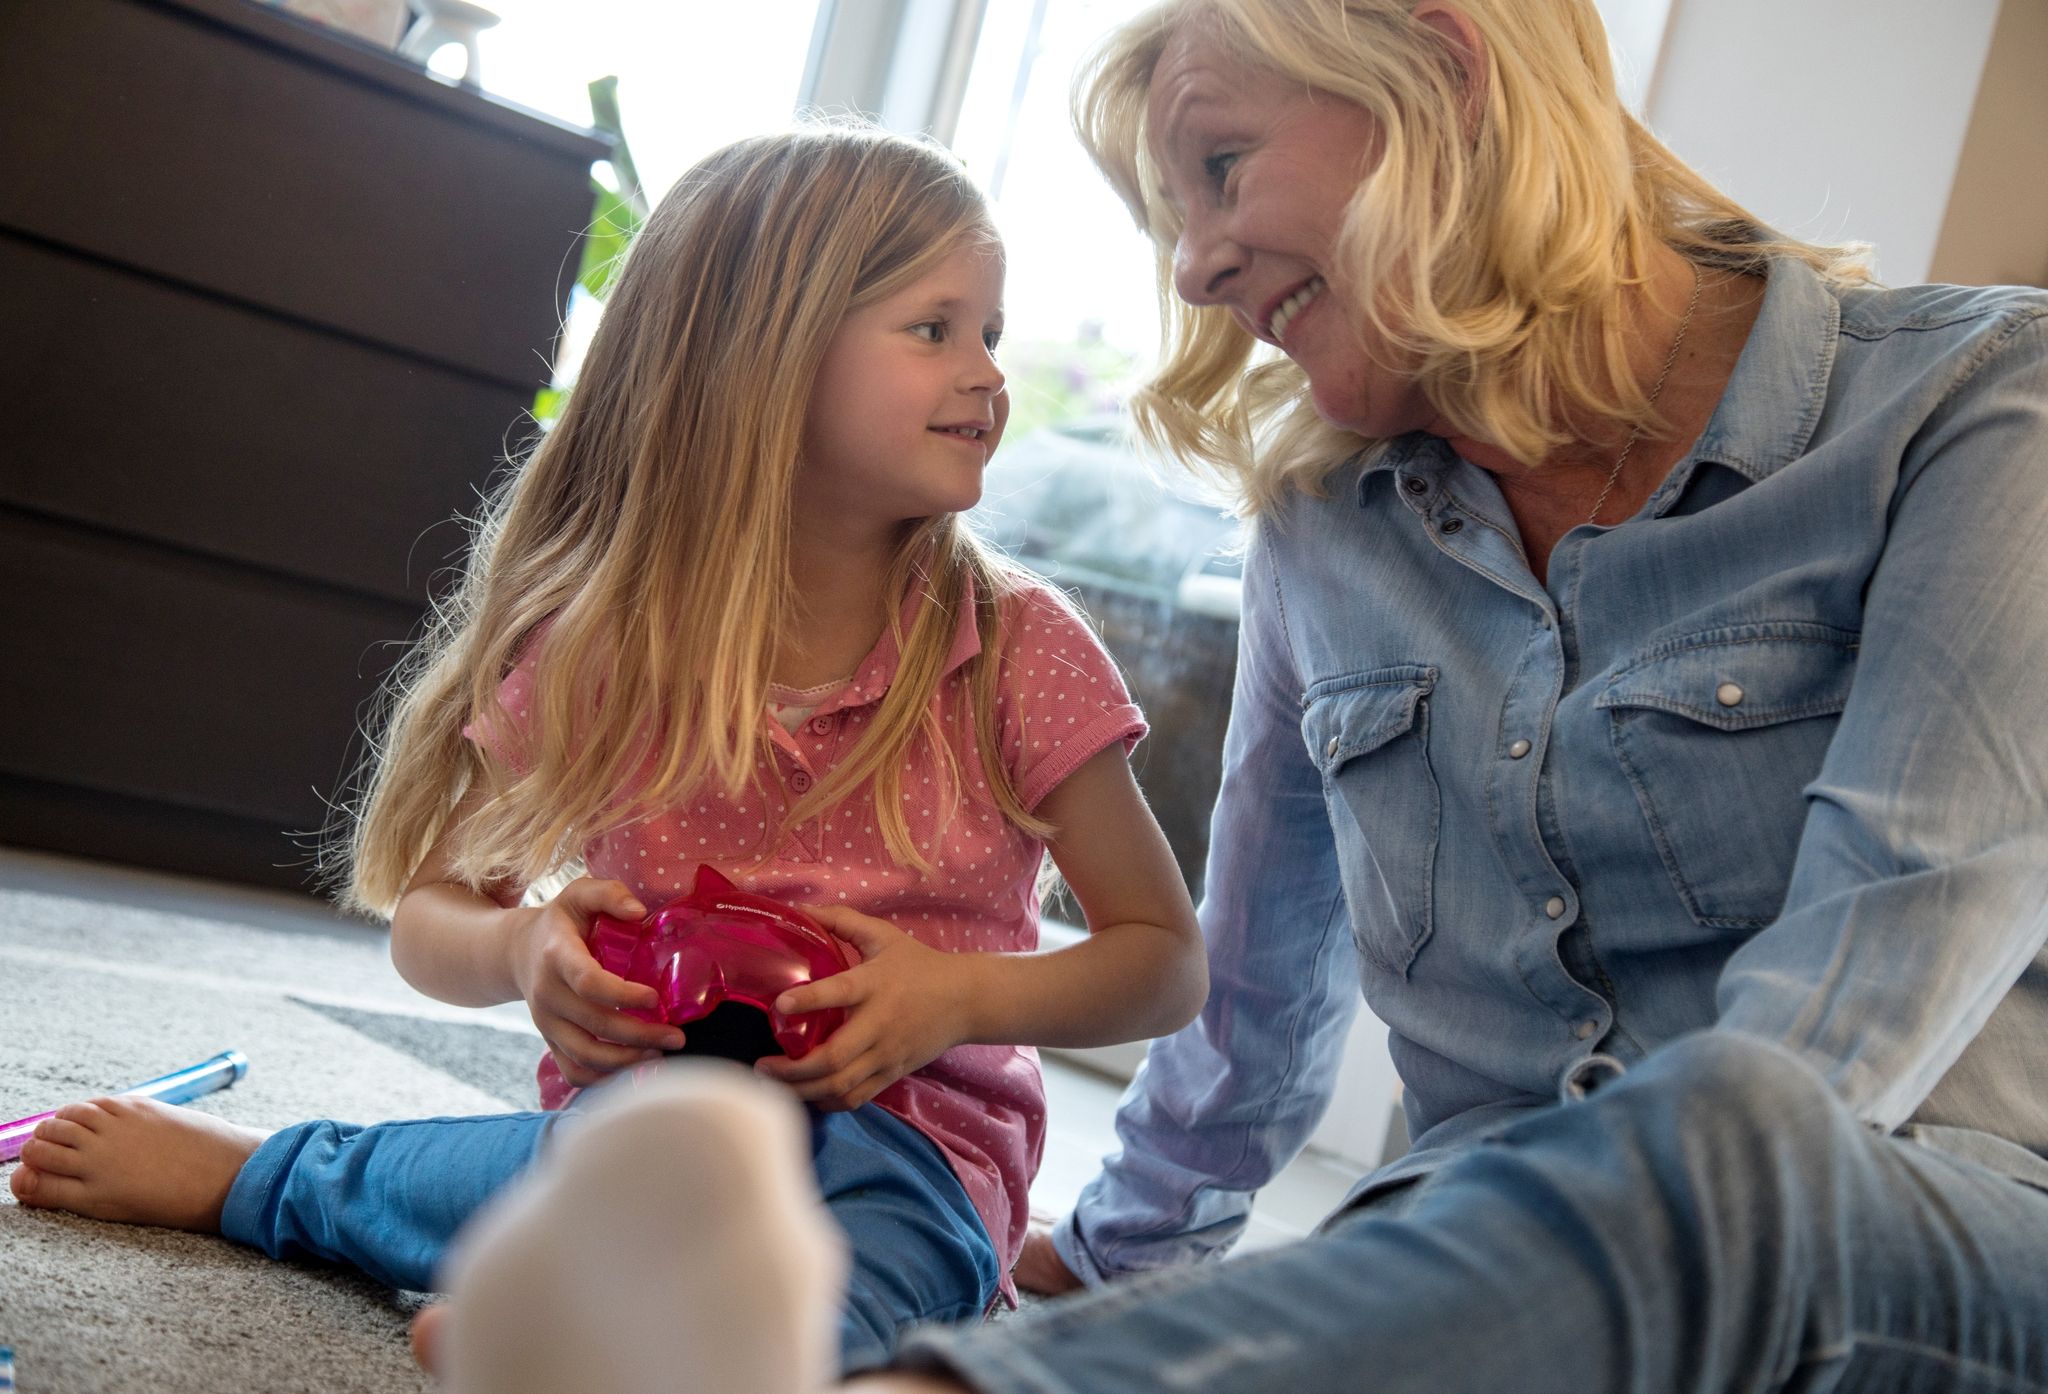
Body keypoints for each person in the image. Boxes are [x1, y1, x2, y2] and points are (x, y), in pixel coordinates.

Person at [396, 0, 2048, 1389]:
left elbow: (1848, 1027)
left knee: (1739, 1130)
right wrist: (1119, 1264)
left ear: (1444, 67)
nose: (1188, 270)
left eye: (1217, 165)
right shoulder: (1326, 525)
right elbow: (1250, 979)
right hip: (1475, 1260)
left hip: (1908, 1226)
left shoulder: (1981, 406)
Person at [3, 124, 1208, 1377]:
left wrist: (958, 998)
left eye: (991, 334)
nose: (988, 376)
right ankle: (273, 1176)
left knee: (872, 1284)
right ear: (764, 356)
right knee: (488, 1172)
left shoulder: (1014, 646)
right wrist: (526, 948)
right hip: (632, 1129)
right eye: (933, 328)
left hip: (906, 1155)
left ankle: (630, 1346)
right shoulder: (609, 646)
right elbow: (430, 911)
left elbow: (1161, 962)